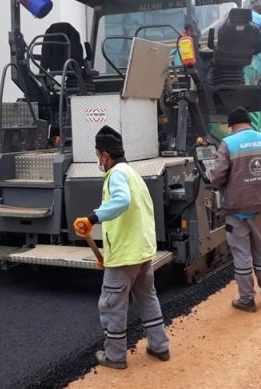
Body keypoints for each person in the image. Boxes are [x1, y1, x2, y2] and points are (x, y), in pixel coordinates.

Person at [73, 125, 170, 370]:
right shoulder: (132, 173)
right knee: (148, 298)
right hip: (141, 252)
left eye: (98, 156)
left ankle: (115, 356)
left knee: (111, 304)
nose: (99, 160)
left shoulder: (116, 174)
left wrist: (92, 218)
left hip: (126, 256)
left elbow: (122, 202)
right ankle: (160, 346)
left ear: (105, 155)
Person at [206, 106, 261, 313]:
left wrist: (209, 175)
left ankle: (247, 299)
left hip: (237, 209)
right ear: (249, 122)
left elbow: (218, 175)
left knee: (242, 254)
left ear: (232, 125)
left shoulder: (228, 144)